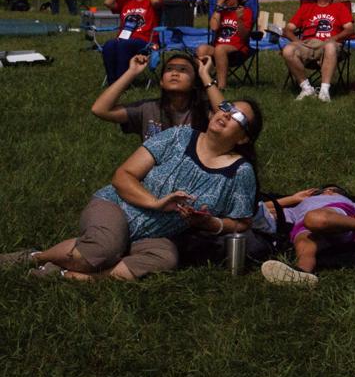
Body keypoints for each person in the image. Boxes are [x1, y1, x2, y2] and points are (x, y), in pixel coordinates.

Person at [2, 100, 262, 281]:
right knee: (104, 249)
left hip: (156, 235)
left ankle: (83, 277)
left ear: (243, 138)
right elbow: (123, 176)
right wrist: (156, 203)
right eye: (226, 106)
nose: (227, 113)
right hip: (116, 206)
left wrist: (209, 222)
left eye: (238, 116)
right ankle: (34, 257)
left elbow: (241, 222)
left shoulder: (240, 172)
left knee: (165, 259)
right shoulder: (178, 136)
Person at [256, 185, 355, 286]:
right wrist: (293, 198)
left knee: (314, 218)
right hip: (303, 226)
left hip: (334, 217)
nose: (325, 191)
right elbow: (261, 209)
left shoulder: (343, 200)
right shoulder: (298, 205)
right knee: (303, 241)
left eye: (329, 189)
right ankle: (303, 273)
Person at [92, 51, 224, 140]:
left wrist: (204, 74)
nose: (174, 73)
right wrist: (131, 72)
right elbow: (100, 110)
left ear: (195, 82)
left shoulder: (204, 110)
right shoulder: (147, 109)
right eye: (169, 69)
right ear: (161, 81)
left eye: (183, 70)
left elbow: (231, 116)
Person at [282, 0, 355, 102]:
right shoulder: (306, 8)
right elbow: (288, 29)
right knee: (288, 50)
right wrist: (296, 41)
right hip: (307, 44)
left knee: (330, 46)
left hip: (330, 44)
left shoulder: (340, 8)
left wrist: (334, 38)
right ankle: (306, 88)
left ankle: (324, 91)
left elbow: (349, 29)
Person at [100, 0, 163, 85]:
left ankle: (122, 83)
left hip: (146, 41)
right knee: (109, 45)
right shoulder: (127, 0)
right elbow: (107, 3)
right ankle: (112, 82)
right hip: (123, 39)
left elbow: (155, 2)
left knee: (124, 45)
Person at [196, 0, 254, 91]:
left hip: (238, 49)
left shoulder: (245, 11)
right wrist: (218, 8)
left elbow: (244, 36)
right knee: (202, 49)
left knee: (220, 49)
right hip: (218, 47)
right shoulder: (220, 11)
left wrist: (240, 18)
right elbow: (213, 28)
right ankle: (202, 82)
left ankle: (221, 87)